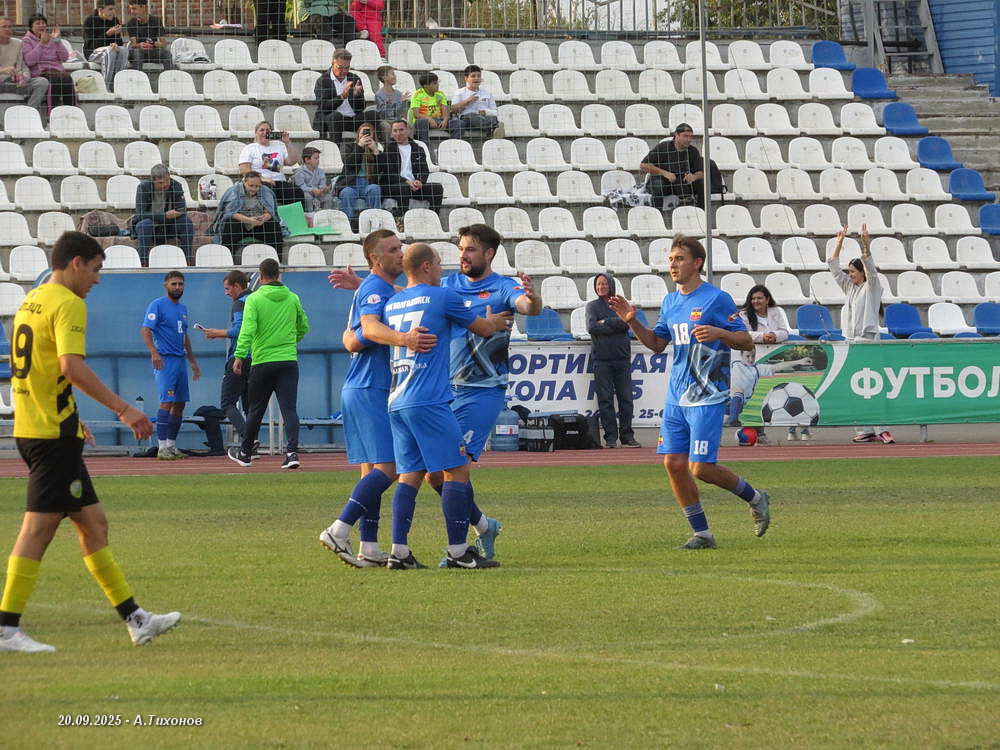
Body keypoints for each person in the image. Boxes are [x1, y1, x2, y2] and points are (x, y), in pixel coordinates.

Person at [0, 231, 180, 654]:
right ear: (76, 263)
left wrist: (73, 417)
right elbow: (70, 366)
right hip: (50, 436)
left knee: (93, 523)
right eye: (96, 270)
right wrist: (124, 409)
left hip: (41, 426)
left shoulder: (31, 300)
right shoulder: (68, 303)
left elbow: (42, 370)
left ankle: (137, 620)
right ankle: (6, 628)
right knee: (38, 529)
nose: (97, 280)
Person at [330, 223, 542, 561]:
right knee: (437, 472)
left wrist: (532, 298)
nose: (461, 256)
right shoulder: (447, 289)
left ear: (489, 253)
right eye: (459, 250)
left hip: (477, 390)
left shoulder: (501, 286)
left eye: (469, 249)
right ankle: (467, 542)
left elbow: (527, 307)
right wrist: (489, 324)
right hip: (438, 392)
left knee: (423, 471)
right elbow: (431, 300)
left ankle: (396, 549)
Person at [607, 235, 771, 549]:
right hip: (676, 395)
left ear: (697, 263)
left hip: (707, 394)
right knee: (673, 464)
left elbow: (745, 341)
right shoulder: (670, 302)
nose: (673, 265)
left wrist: (719, 332)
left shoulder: (716, 299)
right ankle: (702, 534)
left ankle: (756, 497)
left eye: (679, 259)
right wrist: (632, 321)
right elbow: (657, 344)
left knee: (701, 468)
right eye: (670, 259)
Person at [381, 243, 511, 569]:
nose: (443, 269)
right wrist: (495, 322)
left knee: (410, 475)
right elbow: (483, 329)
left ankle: (399, 552)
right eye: (439, 263)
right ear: (426, 266)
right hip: (429, 398)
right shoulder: (442, 296)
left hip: (397, 398)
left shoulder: (394, 303)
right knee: (457, 469)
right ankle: (458, 552)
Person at [319, 230, 437, 568]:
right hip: (371, 386)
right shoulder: (375, 288)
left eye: (401, 248)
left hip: (363, 386)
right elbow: (365, 332)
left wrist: (359, 288)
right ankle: (339, 528)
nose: (401, 254)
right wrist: (405, 339)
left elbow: (359, 331)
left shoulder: (377, 288)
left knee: (371, 470)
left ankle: (369, 546)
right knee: (392, 466)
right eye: (392, 250)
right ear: (375, 258)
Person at [228, 258, 309, 470]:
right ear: (278, 274)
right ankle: (292, 453)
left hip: (262, 361)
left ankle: (245, 453)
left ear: (261, 276)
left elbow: (247, 330)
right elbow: (303, 326)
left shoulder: (254, 299)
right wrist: (290, 342)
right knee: (289, 409)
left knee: (256, 409)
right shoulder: (292, 298)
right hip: (288, 360)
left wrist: (239, 356)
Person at [830, 224, 894, 445]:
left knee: (874, 385)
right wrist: (838, 244)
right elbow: (834, 270)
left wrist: (865, 245)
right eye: (849, 272)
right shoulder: (850, 288)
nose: (849, 275)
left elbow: (871, 270)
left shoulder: (872, 287)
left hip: (868, 342)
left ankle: (882, 429)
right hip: (851, 343)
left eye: (852, 272)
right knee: (855, 386)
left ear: (861, 273)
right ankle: (864, 429)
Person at [141, 270, 201, 460]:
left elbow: (184, 336)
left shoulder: (183, 309)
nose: (177, 287)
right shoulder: (157, 305)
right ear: (165, 285)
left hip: (180, 361)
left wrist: (192, 361)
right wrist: (154, 352)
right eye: (174, 284)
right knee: (167, 401)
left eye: (180, 284)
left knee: (180, 403)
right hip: (165, 360)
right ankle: (161, 447)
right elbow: (145, 330)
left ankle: (171, 445)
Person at [729, 284, 798, 443]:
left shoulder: (776, 311)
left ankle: (759, 432)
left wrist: (774, 335)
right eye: (753, 298)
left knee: (763, 394)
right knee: (748, 395)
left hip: (770, 355)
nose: (756, 301)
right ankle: (749, 431)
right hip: (749, 357)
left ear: (767, 299)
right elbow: (742, 333)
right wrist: (763, 336)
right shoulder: (744, 314)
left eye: (759, 298)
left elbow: (785, 332)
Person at [586, 272, 640, 449]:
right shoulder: (592, 306)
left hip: (622, 358)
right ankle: (610, 438)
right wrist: (616, 323)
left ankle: (627, 436)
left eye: (604, 283)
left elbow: (627, 323)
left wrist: (605, 322)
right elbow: (591, 327)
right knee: (605, 400)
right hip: (601, 359)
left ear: (610, 285)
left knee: (626, 399)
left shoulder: (620, 303)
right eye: (598, 284)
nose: (601, 287)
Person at [201, 270, 252, 446]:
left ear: (237, 286)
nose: (226, 293)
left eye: (227, 288)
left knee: (227, 403)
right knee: (249, 405)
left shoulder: (240, 303)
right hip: (257, 358)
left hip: (240, 357)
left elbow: (239, 330)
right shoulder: (257, 300)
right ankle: (252, 442)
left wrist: (217, 333)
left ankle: (248, 439)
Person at [211, 172, 287, 259]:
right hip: (240, 224)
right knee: (230, 224)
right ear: (244, 183)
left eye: (257, 186)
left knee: (274, 226)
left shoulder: (266, 191)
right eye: (251, 186)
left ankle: (276, 259)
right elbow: (230, 213)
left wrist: (263, 219)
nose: (254, 189)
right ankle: (228, 259)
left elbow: (270, 212)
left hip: (259, 224)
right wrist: (249, 220)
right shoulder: (234, 191)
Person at [376, 119, 443, 215]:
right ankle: (403, 218)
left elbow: (424, 170)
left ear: (408, 131)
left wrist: (419, 181)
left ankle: (433, 217)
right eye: (395, 131)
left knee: (437, 188)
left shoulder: (418, 149)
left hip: (414, 186)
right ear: (391, 133)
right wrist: (407, 181)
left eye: (401, 130)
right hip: (394, 186)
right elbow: (389, 174)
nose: (398, 133)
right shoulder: (388, 149)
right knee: (404, 187)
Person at [133, 164, 194, 265]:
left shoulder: (176, 185)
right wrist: (164, 216)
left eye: (167, 180)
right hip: (150, 225)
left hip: (169, 225)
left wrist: (173, 215)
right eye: (160, 182)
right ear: (153, 181)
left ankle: (186, 261)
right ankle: (143, 264)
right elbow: (140, 214)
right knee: (145, 225)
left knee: (186, 223)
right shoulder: (143, 187)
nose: (165, 184)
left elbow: (182, 209)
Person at [640, 122, 705, 210]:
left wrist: (694, 176)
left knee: (702, 183)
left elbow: (701, 173)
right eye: (685, 136)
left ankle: (702, 212)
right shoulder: (663, 147)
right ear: (676, 135)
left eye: (691, 137)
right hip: (662, 181)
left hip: (682, 183)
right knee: (658, 184)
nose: (689, 139)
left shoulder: (693, 151)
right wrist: (665, 173)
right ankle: (657, 213)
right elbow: (643, 165)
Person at [239, 121, 304, 207]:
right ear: (256, 133)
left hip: (279, 181)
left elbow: (292, 162)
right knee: (268, 190)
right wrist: (262, 178)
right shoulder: (249, 148)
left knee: (297, 192)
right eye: (262, 130)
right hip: (259, 182)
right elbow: (244, 169)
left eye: (268, 130)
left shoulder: (279, 145)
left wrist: (287, 143)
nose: (265, 132)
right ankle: (271, 215)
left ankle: (295, 215)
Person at [20, 14, 76, 113]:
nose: (41, 25)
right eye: (38, 23)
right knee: (55, 82)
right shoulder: (26, 41)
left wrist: (57, 41)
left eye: (43, 23)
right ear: (31, 27)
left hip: (57, 72)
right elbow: (29, 61)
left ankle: (71, 113)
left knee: (67, 79)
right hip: (40, 73)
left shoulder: (52, 39)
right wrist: (41, 44)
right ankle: (52, 115)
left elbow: (64, 57)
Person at [312, 49, 367, 143]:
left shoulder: (354, 78)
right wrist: (341, 97)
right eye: (340, 67)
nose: (344, 71)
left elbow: (361, 108)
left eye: (347, 68)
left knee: (374, 115)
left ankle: (376, 150)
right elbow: (323, 107)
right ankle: (335, 148)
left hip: (351, 119)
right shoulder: (323, 80)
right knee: (336, 117)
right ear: (332, 63)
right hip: (332, 120)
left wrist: (357, 96)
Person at [337, 121, 382, 229]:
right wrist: (359, 147)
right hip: (351, 183)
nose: (366, 135)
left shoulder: (376, 149)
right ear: (358, 135)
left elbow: (383, 169)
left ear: (373, 135)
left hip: (368, 183)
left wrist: (375, 151)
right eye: (363, 133)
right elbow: (348, 163)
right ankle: (349, 225)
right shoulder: (349, 146)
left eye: (369, 133)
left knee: (375, 188)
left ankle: (375, 223)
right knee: (347, 192)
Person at [0, 16, 48, 113]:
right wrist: (3, 70)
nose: (7, 29)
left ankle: (29, 113)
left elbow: (23, 65)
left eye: (10, 27)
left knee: (42, 82)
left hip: (14, 83)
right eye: (4, 27)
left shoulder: (18, 43)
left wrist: (25, 77)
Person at [451, 64, 503, 139]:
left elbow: (495, 112)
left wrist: (486, 112)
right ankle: (494, 128)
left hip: (484, 118)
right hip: (466, 120)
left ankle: (493, 129)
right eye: (473, 76)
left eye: (479, 76)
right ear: (466, 78)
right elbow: (453, 110)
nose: (477, 78)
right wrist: (467, 101)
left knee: (493, 118)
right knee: (471, 116)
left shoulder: (487, 94)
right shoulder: (459, 92)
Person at [409, 72, 461, 143]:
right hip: (425, 122)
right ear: (426, 86)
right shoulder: (417, 95)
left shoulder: (440, 94)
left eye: (437, 83)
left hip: (439, 120)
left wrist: (445, 120)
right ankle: (424, 147)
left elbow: (445, 111)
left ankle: (452, 145)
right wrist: (429, 119)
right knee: (421, 122)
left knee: (459, 123)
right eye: (434, 83)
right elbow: (416, 114)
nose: (438, 85)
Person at [123, 0, 172, 70]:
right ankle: (137, 76)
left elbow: (163, 44)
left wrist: (154, 44)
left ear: (143, 7)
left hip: (153, 51)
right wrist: (140, 45)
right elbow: (133, 45)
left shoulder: (156, 20)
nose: (132, 11)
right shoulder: (131, 23)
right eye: (130, 9)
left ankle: (168, 76)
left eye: (134, 8)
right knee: (137, 53)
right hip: (139, 52)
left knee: (166, 54)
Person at [292, 146, 334, 214]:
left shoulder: (320, 171)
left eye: (318, 158)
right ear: (307, 160)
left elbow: (322, 183)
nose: (318, 160)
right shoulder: (299, 172)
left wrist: (324, 189)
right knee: (307, 197)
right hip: (306, 193)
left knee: (328, 197)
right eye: (316, 158)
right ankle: (309, 214)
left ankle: (326, 214)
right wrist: (312, 190)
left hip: (318, 192)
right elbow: (301, 186)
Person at [374, 64, 409, 141]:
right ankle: (388, 146)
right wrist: (393, 104)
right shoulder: (379, 95)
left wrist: (403, 103)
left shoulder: (399, 94)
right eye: (392, 74)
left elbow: (399, 114)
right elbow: (384, 114)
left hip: (397, 119)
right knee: (386, 127)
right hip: (385, 120)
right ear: (384, 77)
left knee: (409, 125)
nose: (395, 76)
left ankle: (408, 145)